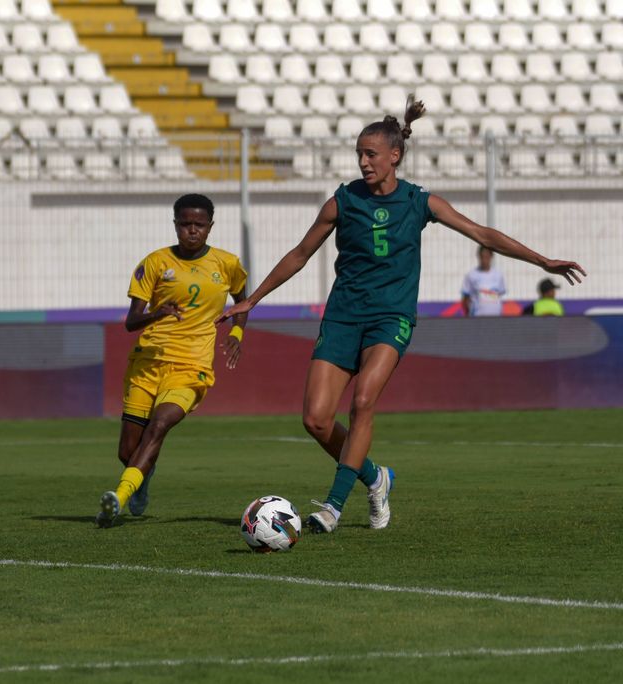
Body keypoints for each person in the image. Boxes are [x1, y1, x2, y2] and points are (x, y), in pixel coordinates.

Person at [217, 99, 585, 535]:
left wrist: (542, 262)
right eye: (359, 153)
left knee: (363, 402)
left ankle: (332, 508)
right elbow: (300, 254)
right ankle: (375, 477)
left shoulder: (420, 202)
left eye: (370, 154)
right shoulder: (342, 201)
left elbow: (481, 233)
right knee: (315, 419)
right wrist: (252, 300)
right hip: (341, 319)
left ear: (395, 156)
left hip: (391, 318)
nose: (363, 161)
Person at [96, 194, 248, 527]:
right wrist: (156, 313)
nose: (192, 231)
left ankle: (117, 499)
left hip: (191, 368)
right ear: (175, 224)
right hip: (147, 364)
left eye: (199, 225)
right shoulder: (154, 263)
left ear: (210, 226)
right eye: (185, 224)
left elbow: (243, 301)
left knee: (160, 425)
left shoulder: (227, 264)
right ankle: (142, 475)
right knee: (128, 452)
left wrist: (236, 334)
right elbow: (131, 322)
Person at [461, 246, 506, 316]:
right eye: (482, 257)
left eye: (487, 257)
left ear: (491, 257)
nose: (484, 260)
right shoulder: (471, 275)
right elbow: (465, 298)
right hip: (477, 318)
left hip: (496, 317)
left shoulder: (498, 275)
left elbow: (499, 294)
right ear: (479, 257)